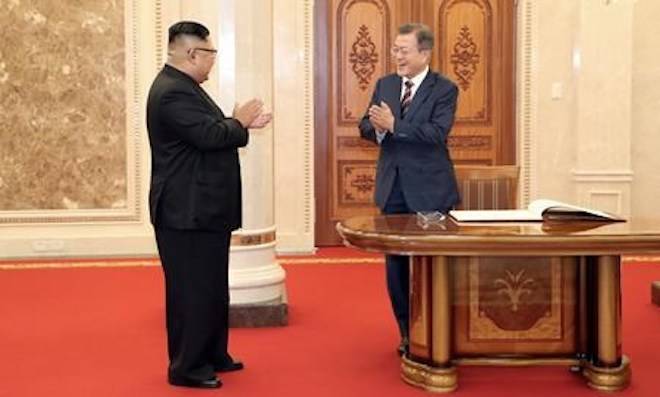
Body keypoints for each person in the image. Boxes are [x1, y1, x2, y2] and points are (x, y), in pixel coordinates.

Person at [146, 21, 272, 389]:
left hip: (203, 208)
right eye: (211, 54)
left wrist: (240, 123)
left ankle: (213, 353)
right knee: (192, 291)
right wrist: (238, 122)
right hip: (185, 211)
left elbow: (212, 129)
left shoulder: (186, 87)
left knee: (213, 288)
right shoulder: (171, 91)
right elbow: (208, 135)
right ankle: (186, 366)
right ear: (192, 54)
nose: (213, 61)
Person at [358, 23, 460, 356]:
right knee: (397, 266)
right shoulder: (385, 84)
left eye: (404, 50)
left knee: (434, 264)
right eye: (395, 49)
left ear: (424, 53)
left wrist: (395, 126)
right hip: (393, 189)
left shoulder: (444, 89)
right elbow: (365, 125)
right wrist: (379, 130)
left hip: (431, 190)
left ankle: (438, 328)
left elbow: (436, 133)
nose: (397, 56)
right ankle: (406, 332)